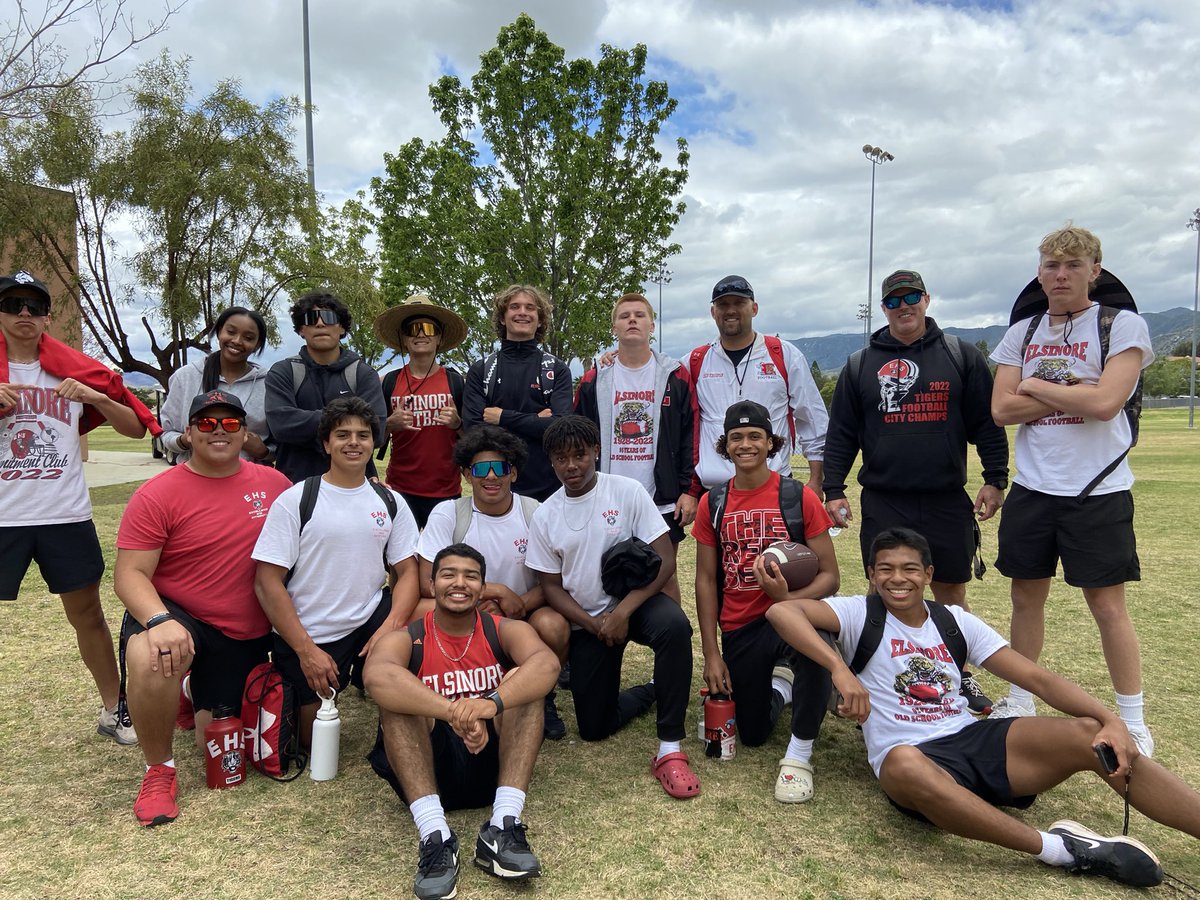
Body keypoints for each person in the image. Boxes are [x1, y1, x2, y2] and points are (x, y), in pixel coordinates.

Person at [765, 527, 1200, 890]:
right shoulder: (857, 612)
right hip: (911, 754)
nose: (899, 579)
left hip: (971, 736)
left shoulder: (953, 620)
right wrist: (840, 670)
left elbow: (1038, 679)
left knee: (1091, 734)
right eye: (886, 569)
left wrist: (1111, 720)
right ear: (871, 575)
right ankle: (1061, 850)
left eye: (910, 568)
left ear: (928, 573)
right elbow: (784, 613)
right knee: (903, 765)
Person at [989, 226, 1156, 755]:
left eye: (1072, 265)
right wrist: (1069, 392)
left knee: (1107, 606)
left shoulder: (1121, 325)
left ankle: (1132, 717)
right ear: (1039, 272)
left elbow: (1106, 404)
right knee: (1024, 597)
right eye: (1050, 265)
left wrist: (1034, 386)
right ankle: (1020, 696)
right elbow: (1001, 409)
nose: (1060, 275)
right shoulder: (1023, 330)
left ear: (1094, 271)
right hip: (1034, 487)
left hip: (1097, 488)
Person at [823, 269, 1008, 713]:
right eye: (893, 300)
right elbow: (842, 433)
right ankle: (874, 673)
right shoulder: (860, 364)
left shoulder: (959, 355)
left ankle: (958, 675)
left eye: (911, 297)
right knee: (883, 588)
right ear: (884, 308)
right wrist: (833, 487)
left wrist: (995, 477)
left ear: (926, 299)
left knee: (950, 590)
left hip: (945, 496)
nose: (903, 306)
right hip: (886, 496)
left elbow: (986, 422)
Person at [115, 389, 293, 826]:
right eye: (207, 423)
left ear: (245, 432)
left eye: (230, 423)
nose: (219, 431)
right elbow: (129, 574)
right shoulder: (158, 493)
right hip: (181, 613)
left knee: (211, 740)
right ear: (190, 432)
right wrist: (157, 621)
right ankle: (159, 770)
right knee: (152, 655)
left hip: (243, 631)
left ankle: (189, 693)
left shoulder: (275, 484)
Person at [1, 269, 158, 747]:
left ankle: (115, 709)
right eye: (13, 304)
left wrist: (92, 394)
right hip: (3, 516)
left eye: (33, 305)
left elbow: (134, 426)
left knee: (87, 614)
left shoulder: (77, 369)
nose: (24, 313)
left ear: (48, 316)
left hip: (64, 513)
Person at [364, 543, 559, 900]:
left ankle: (503, 825)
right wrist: (453, 711)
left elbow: (547, 665)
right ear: (433, 584)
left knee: (525, 683)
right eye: (449, 574)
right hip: (427, 770)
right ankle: (435, 834)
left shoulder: (502, 629)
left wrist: (489, 705)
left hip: (495, 768)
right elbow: (376, 677)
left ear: (483, 589)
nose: (460, 583)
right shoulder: (407, 636)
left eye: (471, 576)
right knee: (398, 699)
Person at [525, 415, 699, 799]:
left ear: (597, 452)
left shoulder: (627, 490)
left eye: (580, 456)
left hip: (635, 605)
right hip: (588, 621)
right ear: (551, 461)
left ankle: (670, 746)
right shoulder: (546, 515)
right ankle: (652, 691)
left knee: (674, 627)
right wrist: (592, 623)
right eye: (561, 458)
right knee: (593, 728)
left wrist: (621, 613)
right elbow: (550, 588)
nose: (571, 466)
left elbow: (665, 558)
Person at [692, 400, 839, 802]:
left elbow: (830, 575)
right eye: (736, 437)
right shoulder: (713, 503)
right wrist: (711, 653)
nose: (746, 444)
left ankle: (799, 755)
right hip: (741, 624)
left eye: (755, 436)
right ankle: (780, 687)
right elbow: (705, 580)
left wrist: (787, 599)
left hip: (793, 613)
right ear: (725, 445)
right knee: (753, 733)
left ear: (770, 442)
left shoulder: (797, 496)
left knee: (814, 654)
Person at [253, 397, 420, 746]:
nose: (354, 443)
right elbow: (267, 583)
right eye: (343, 435)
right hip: (312, 631)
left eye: (363, 435)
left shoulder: (390, 501)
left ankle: (394, 695)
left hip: (370, 617)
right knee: (306, 743)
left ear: (374, 442)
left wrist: (390, 627)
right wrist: (306, 651)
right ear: (326, 443)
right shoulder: (298, 499)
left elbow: (408, 573)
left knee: (430, 613)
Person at [416, 425, 570, 740]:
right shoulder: (449, 514)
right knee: (417, 611)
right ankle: (449, 691)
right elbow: (425, 582)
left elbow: (554, 581)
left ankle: (542, 696)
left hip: (519, 615)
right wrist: (495, 594)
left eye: (499, 468)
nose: (490, 477)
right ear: (466, 475)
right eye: (480, 469)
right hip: (466, 612)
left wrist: (519, 604)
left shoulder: (534, 513)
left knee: (553, 624)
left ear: (513, 472)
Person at [575, 292, 699, 602]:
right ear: (614, 327)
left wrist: (689, 489)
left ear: (652, 325)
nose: (632, 319)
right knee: (600, 578)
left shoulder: (675, 375)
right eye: (624, 315)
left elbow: (690, 435)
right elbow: (578, 436)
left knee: (664, 578)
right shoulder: (595, 379)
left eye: (640, 315)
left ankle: (670, 646)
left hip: (662, 498)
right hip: (606, 496)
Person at [689, 275, 827, 494]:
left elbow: (812, 419)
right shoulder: (695, 361)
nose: (731, 310)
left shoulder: (784, 354)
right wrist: (619, 356)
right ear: (713, 312)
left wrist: (816, 481)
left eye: (739, 303)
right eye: (723, 304)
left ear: (754, 308)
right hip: (715, 491)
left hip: (774, 487)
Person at [463, 285, 572, 502]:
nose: (522, 312)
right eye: (514, 307)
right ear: (503, 318)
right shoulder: (482, 370)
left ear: (540, 320)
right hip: (495, 485)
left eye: (530, 308)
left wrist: (502, 417)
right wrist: (537, 422)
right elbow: (474, 430)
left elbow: (562, 428)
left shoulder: (556, 369)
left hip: (548, 488)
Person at [265, 291, 387, 483]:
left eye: (329, 318)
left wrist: (307, 425)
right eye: (311, 319)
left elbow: (377, 430)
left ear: (342, 328)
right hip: (295, 486)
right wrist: (348, 423)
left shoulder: (363, 374)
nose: (320, 323)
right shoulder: (283, 372)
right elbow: (282, 425)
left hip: (355, 487)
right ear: (300, 330)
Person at [375, 294, 468, 528]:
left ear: (438, 337)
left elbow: (473, 439)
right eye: (412, 329)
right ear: (404, 339)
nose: (420, 334)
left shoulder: (457, 383)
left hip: (446, 490)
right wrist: (388, 424)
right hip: (400, 489)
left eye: (428, 328)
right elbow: (373, 440)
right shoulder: (387, 382)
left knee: (442, 560)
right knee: (399, 560)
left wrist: (457, 423)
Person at [159, 306, 273, 466]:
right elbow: (166, 433)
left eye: (248, 337)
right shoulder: (185, 377)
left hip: (249, 482)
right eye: (231, 332)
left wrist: (263, 451)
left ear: (257, 343)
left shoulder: (269, 382)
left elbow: (280, 442)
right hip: (196, 481)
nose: (237, 341)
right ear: (219, 331)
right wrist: (187, 438)